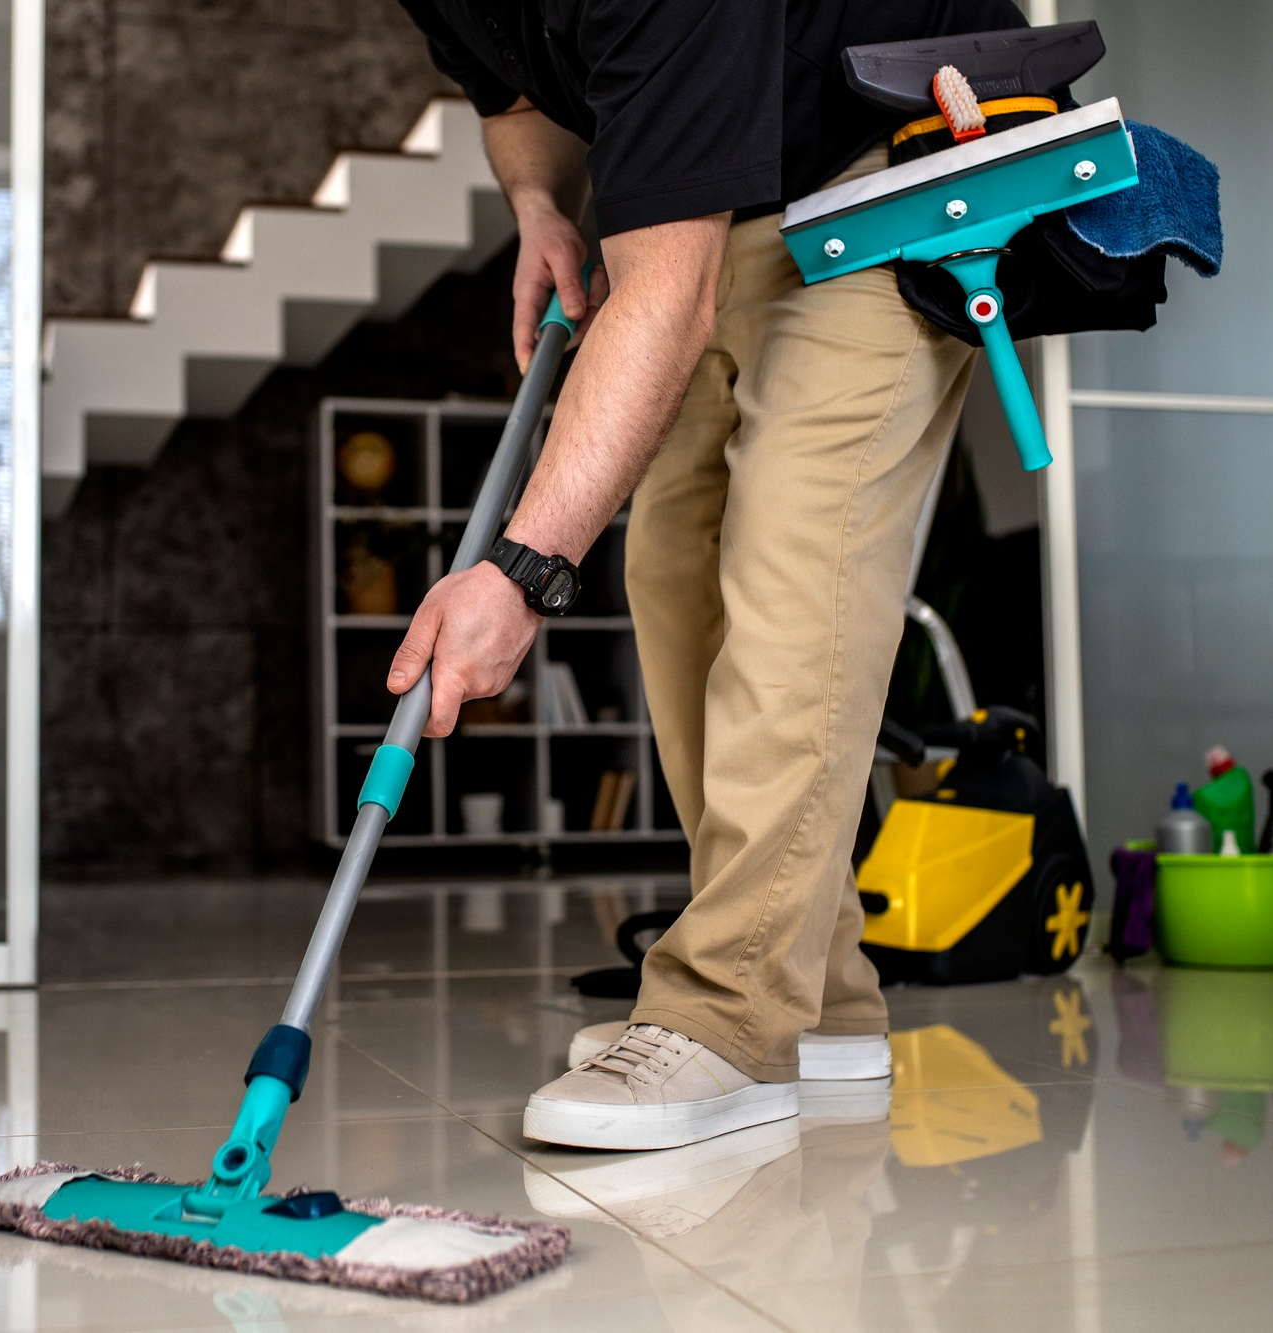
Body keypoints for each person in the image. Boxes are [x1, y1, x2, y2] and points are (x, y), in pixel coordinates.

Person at [387, 0, 1030, 1150]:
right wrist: (539, 203)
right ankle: (820, 1000)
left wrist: (519, 573)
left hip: (891, 167)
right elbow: (512, 91)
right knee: (670, 566)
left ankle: (728, 1009)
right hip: (730, 191)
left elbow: (664, 300)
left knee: (796, 565)